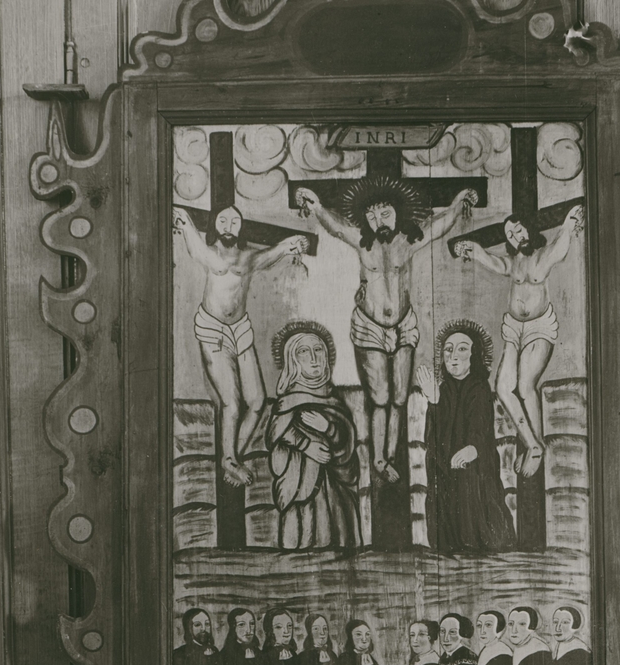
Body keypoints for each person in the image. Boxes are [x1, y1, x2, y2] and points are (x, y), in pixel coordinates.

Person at [296, 181, 477, 483]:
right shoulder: (362, 242)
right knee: (380, 398)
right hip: (370, 328)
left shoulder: (409, 241)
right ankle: (379, 459)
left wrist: (458, 202)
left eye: (385, 213)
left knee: (400, 397)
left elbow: (438, 226)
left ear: (397, 213)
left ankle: (390, 456)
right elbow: (336, 226)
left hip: (404, 325)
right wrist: (315, 205)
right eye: (372, 216)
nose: (379, 221)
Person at [173, 204, 308, 487]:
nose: (228, 226)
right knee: (232, 405)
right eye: (222, 220)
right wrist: (184, 221)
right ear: (214, 225)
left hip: (240, 330)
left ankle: (231, 459)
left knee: (257, 401)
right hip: (213, 331)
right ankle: (230, 460)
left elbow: (274, 253)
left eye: (234, 221)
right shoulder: (208, 253)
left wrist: (294, 244)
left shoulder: (249, 257)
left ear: (241, 226)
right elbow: (193, 243)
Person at [454, 202, 584, 478]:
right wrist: (471, 249)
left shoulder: (542, 256)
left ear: (529, 228)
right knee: (503, 387)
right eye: (510, 235)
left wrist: (569, 224)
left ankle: (535, 448)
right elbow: (491, 260)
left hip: (539, 327)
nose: (516, 237)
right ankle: (533, 443)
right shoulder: (513, 263)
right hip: (514, 329)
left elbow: (560, 247)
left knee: (525, 385)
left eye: (519, 229)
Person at [417, 321, 516, 554]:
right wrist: (434, 402)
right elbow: (433, 438)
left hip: (475, 466)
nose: (453, 356)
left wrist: (473, 448)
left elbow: (481, 429)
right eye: (448, 349)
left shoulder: (479, 388)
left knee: (472, 484)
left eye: (462, 349)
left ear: (474, 355)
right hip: (447, 467)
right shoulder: (443, 390)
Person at [267, 323, 361, 550]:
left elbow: (347, 437)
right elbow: (276, 433)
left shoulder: (333, 399)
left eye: (318, 350)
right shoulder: (287, 401)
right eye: (303, 351)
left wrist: (327, 427)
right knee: (304, 535)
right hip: (300, 485)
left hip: (335, 484)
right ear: (292, 360)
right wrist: (307, 445)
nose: (314, 358)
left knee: (337, 535)